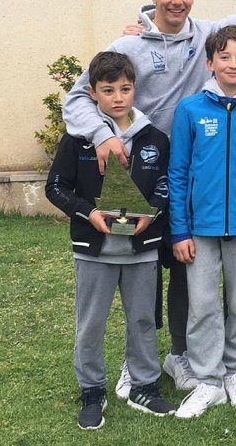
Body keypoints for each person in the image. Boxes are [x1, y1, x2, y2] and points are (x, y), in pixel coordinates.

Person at [62, 0, 210, 398]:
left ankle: (178, 355)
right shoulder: (126, 47)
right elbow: (77, 100)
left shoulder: (206, 35)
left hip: (183, 176)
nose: (177, 0)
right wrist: (102, 134)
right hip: (135, 176)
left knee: (183, 267)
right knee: (138, 270)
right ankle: (135, 366)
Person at [45, 51, 175, 430]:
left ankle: (144, 386)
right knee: (91, 323)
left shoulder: (155, 138)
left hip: (141, 250)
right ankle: (92, 390)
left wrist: (151, 212)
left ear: (136, 89)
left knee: (143, 320)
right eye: (108, 90)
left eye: (125, 89)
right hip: (94, 250)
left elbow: (167, 186)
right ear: (92, 93)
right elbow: (56, 187)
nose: (118, 97)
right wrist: (89, 212)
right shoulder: (78, 140)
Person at [168, 26, 236, 419]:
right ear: (211, 62)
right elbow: (178, 172)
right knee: (202, 305)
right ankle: (208, 380)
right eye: (224, 57)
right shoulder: (190, 110)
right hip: (199, 229)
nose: (232, 64)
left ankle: (234, 371)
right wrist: (179, 229)